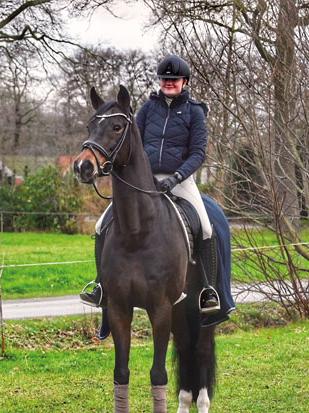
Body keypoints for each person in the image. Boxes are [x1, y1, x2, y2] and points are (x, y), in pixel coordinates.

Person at [80, 54, 220, 340]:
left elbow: (198, 153)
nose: (169, 83)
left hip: (180, 180)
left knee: (205, 226)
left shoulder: (195, 112)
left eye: (174, 80)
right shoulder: (146, 110)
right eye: (165, 79)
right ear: (160, 81)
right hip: (144, 179)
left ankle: (207, 289)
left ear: (184, 82)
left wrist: (176, 177)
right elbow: (131, 143)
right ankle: (100, 286)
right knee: (100, 226)